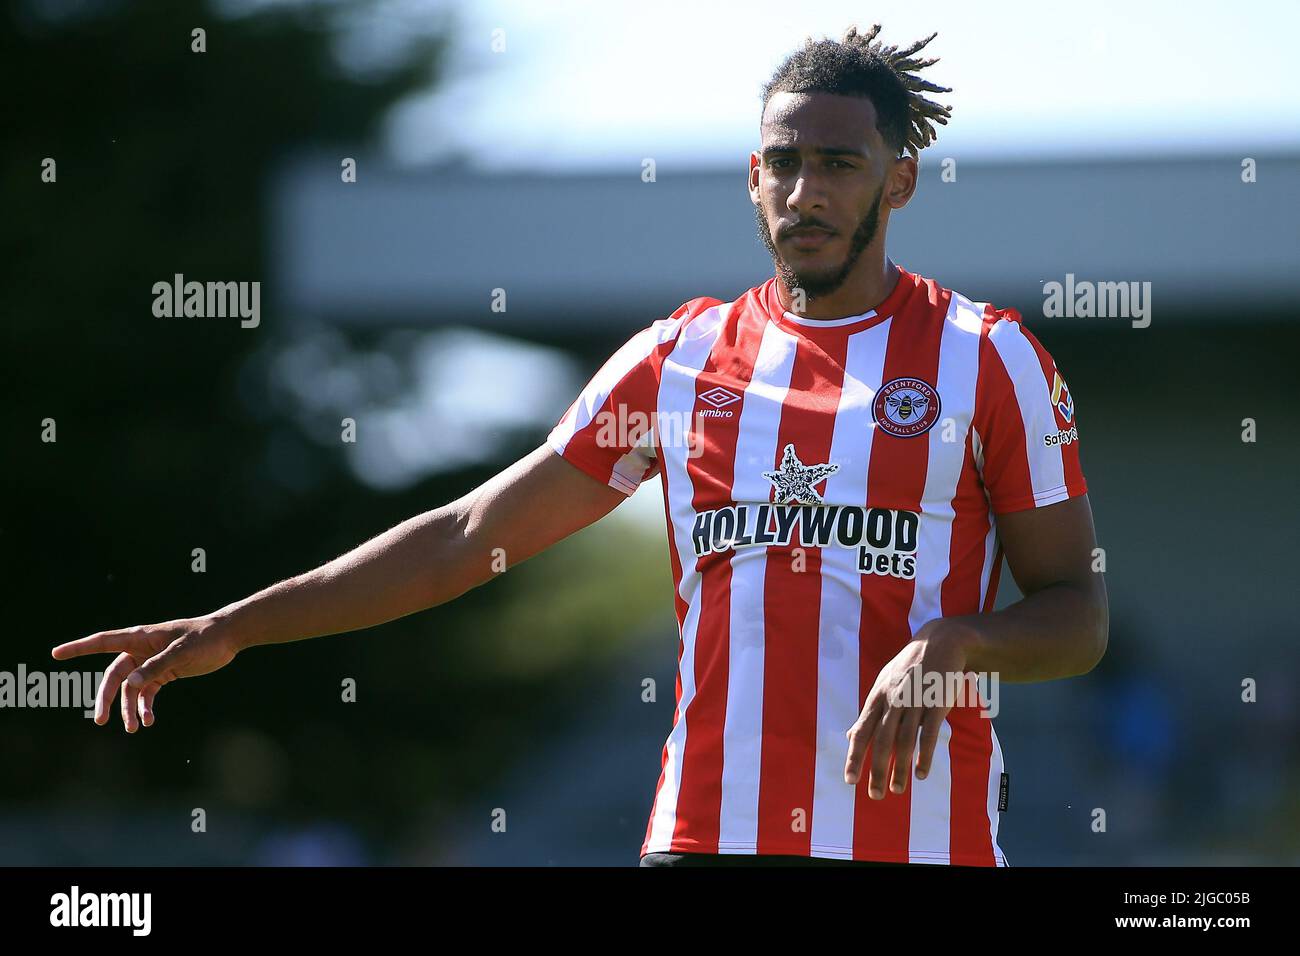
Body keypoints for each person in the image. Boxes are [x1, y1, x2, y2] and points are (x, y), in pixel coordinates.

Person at [52, 23, 1107, 868]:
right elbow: (469, 534)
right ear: (751, 176)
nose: (806, 192)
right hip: (701, 841)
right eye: (783, 163)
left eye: (839, 163)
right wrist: (240, 624)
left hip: (915, 847)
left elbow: (1076, 615)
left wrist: (957, 643)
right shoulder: (680, 359)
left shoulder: (989, 360)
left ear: (901, 179)